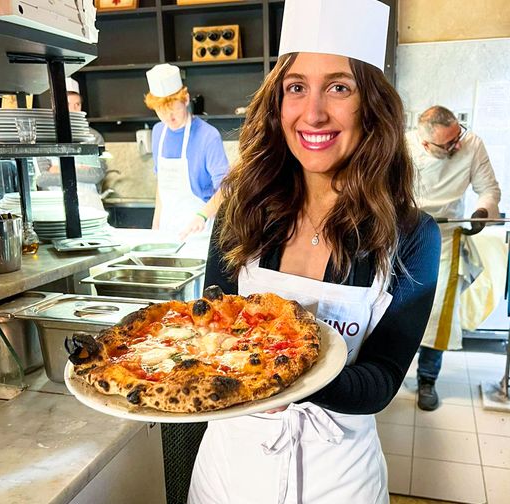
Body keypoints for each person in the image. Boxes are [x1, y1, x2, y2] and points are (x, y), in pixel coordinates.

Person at [187, 1, 441, 503]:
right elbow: (209, 327)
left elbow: (383, 378)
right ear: (277, 101)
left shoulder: (412, 234)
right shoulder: (242, 211)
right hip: (229, 470)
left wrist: (277, 379)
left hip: (340, 478)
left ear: (372, 105)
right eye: (296, 86)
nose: (313, 112)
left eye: (339, 87)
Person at [406, 105, 501, 411]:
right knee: (396, 309)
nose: (456, 145)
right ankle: (391, 373)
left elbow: (489, 189)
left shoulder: (471, 144)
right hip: (405, 234)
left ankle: (427, 379)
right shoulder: (403, 146)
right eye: (448, 144)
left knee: (438, 316)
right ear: (425, 143)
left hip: (446, 237)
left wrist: (482, 212)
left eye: (457, 136)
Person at [144, 64, 229, 240]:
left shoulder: (208, 136)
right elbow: (162, 185)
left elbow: (226, 188)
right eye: (161, 111)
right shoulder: (159, 131)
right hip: (166, 231)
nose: (169, 118)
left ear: (186, 99)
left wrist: (202, 216)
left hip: (198, 231)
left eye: (173, 109)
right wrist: (155, 227)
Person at [35, 78, 107, 210]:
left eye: (77, 104)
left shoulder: (94, 137)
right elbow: (41, 178)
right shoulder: (43, 137)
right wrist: (80, 168)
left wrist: (56, 169)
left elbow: (96, 175)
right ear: (55, 105)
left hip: (89, 204)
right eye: (67, 104)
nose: (73, 109)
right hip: (54, 205)